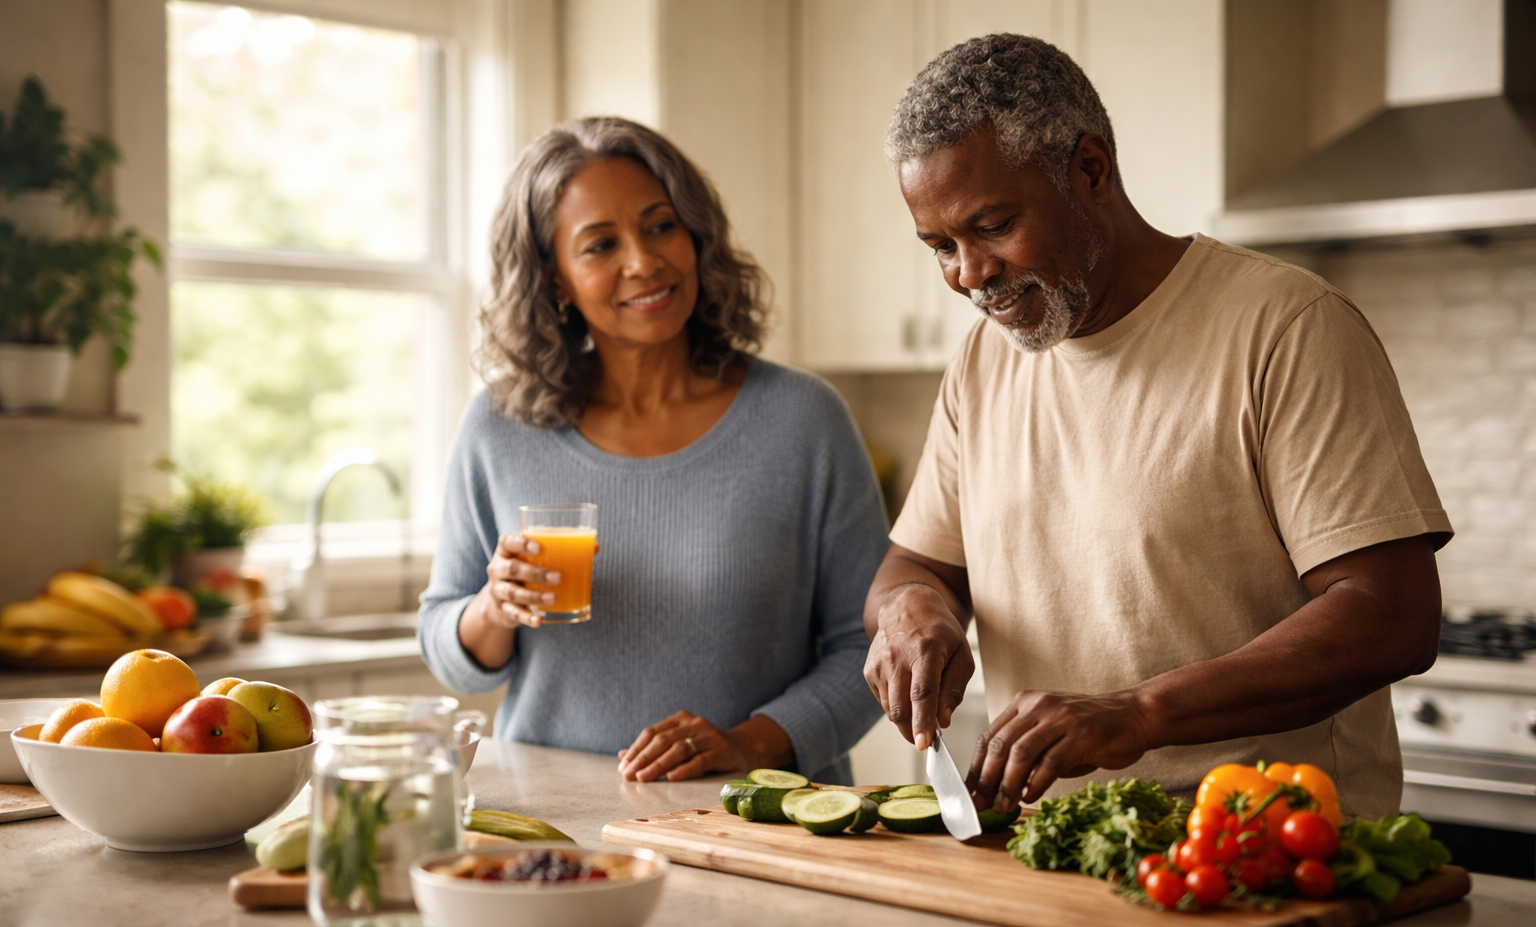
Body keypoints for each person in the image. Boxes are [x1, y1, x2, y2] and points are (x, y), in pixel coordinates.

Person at [863, 35, 1451, 819]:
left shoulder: (1287, 326)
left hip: (1267, 846)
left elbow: (1391, 615)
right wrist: (913, 611)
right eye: (941, 246)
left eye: (993, 226)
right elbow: (915, 569)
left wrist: (1138, 714)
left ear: (1091, 170)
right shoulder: (982, 362)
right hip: (1053, 845)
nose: (969, 274)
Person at [419, 117, 888, 785]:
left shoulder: (802, 420)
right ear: (555, 279)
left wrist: (747, 745)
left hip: (754, 820)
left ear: (696, 236)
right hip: (554, 824)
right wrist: (492, 609)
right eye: (600, 245)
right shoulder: (499, 425)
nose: (643, 262)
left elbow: (873, 649)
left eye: (661, 226)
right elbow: (445, 642)